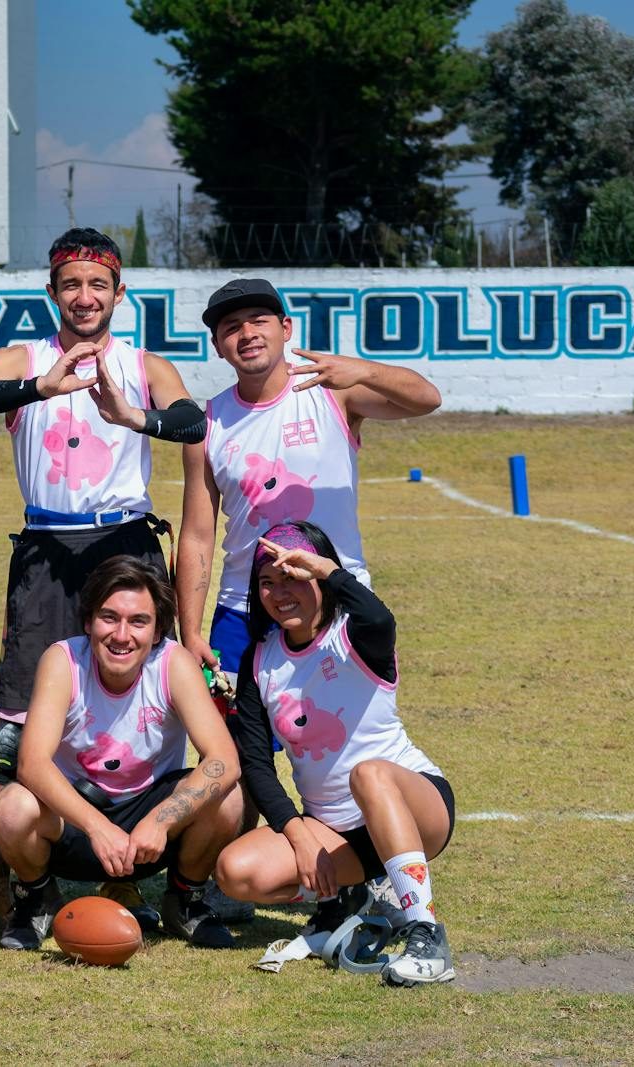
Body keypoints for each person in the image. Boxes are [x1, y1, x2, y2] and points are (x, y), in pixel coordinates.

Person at [0, 226, 208, 932]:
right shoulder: (26, 355)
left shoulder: (140, 362)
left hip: (125, 539)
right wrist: (41, 387)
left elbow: (190, 422)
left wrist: (134, 416)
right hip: (45, 540)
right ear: (52, 293)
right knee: (19, 717)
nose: (85, 296)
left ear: (119, 293)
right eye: (72, 284)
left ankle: (150, 859)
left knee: (144, 693)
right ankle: (12, 877)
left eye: (99, 285)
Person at [175, 278, 441, 921]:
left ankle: (372, 860)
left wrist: (361, 369)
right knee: (239, 750)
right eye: (231, 326)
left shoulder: (331, 388)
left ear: (285, 329)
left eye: (259, 319)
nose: (247, 333)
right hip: (246, 607)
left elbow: (427, 399)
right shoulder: (208, 422)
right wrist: (191, 628)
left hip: (336, 601)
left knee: (345, 740)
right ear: (217, 343)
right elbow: (198, 533)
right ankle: (252, 870)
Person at [213, 522, 457, 986]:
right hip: (335, 831)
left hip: (415, 806)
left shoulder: (357, 635)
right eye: (268, 581)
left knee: (368, 775)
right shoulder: (260, 660)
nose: (279, 591)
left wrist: (327, 569)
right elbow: (257, 764)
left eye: (294, 576)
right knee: (234, 872)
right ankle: (349, 897)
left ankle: (426, 933)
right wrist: (298, 833)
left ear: (320, 578)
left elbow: (381, 618)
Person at [0, 556, 243, 952]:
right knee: (12, 807)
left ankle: (184, 900)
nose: (122, 635)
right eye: (109, 618)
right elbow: (32, 764)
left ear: (158, 629)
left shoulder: (174, 663)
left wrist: (161, 820)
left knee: (229, 797)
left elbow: (223, 760)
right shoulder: (63, 660)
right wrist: (97, 827)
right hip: (74, 820)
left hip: (149, 825)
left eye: (138, 621)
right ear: (88, 620)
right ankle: (36, 898)